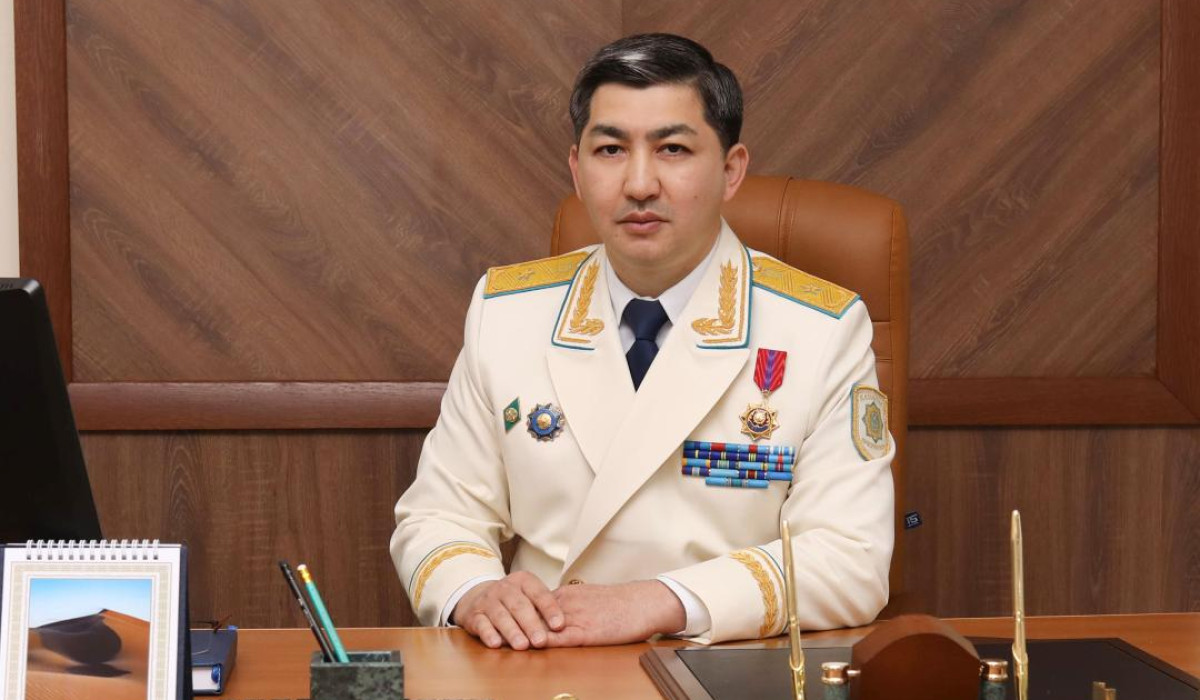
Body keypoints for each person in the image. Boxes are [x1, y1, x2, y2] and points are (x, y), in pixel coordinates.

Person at [390, 33, 894, 649]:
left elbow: (849, 558)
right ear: (577, 171)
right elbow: (438, 515)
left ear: (731, 170)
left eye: (672, 149)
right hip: (543, 662)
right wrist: (475, 592)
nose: (638, 183)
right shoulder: (507, 312)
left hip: (721, 665)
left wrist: (660, 602)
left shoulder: (820, 330)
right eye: (610, 149)